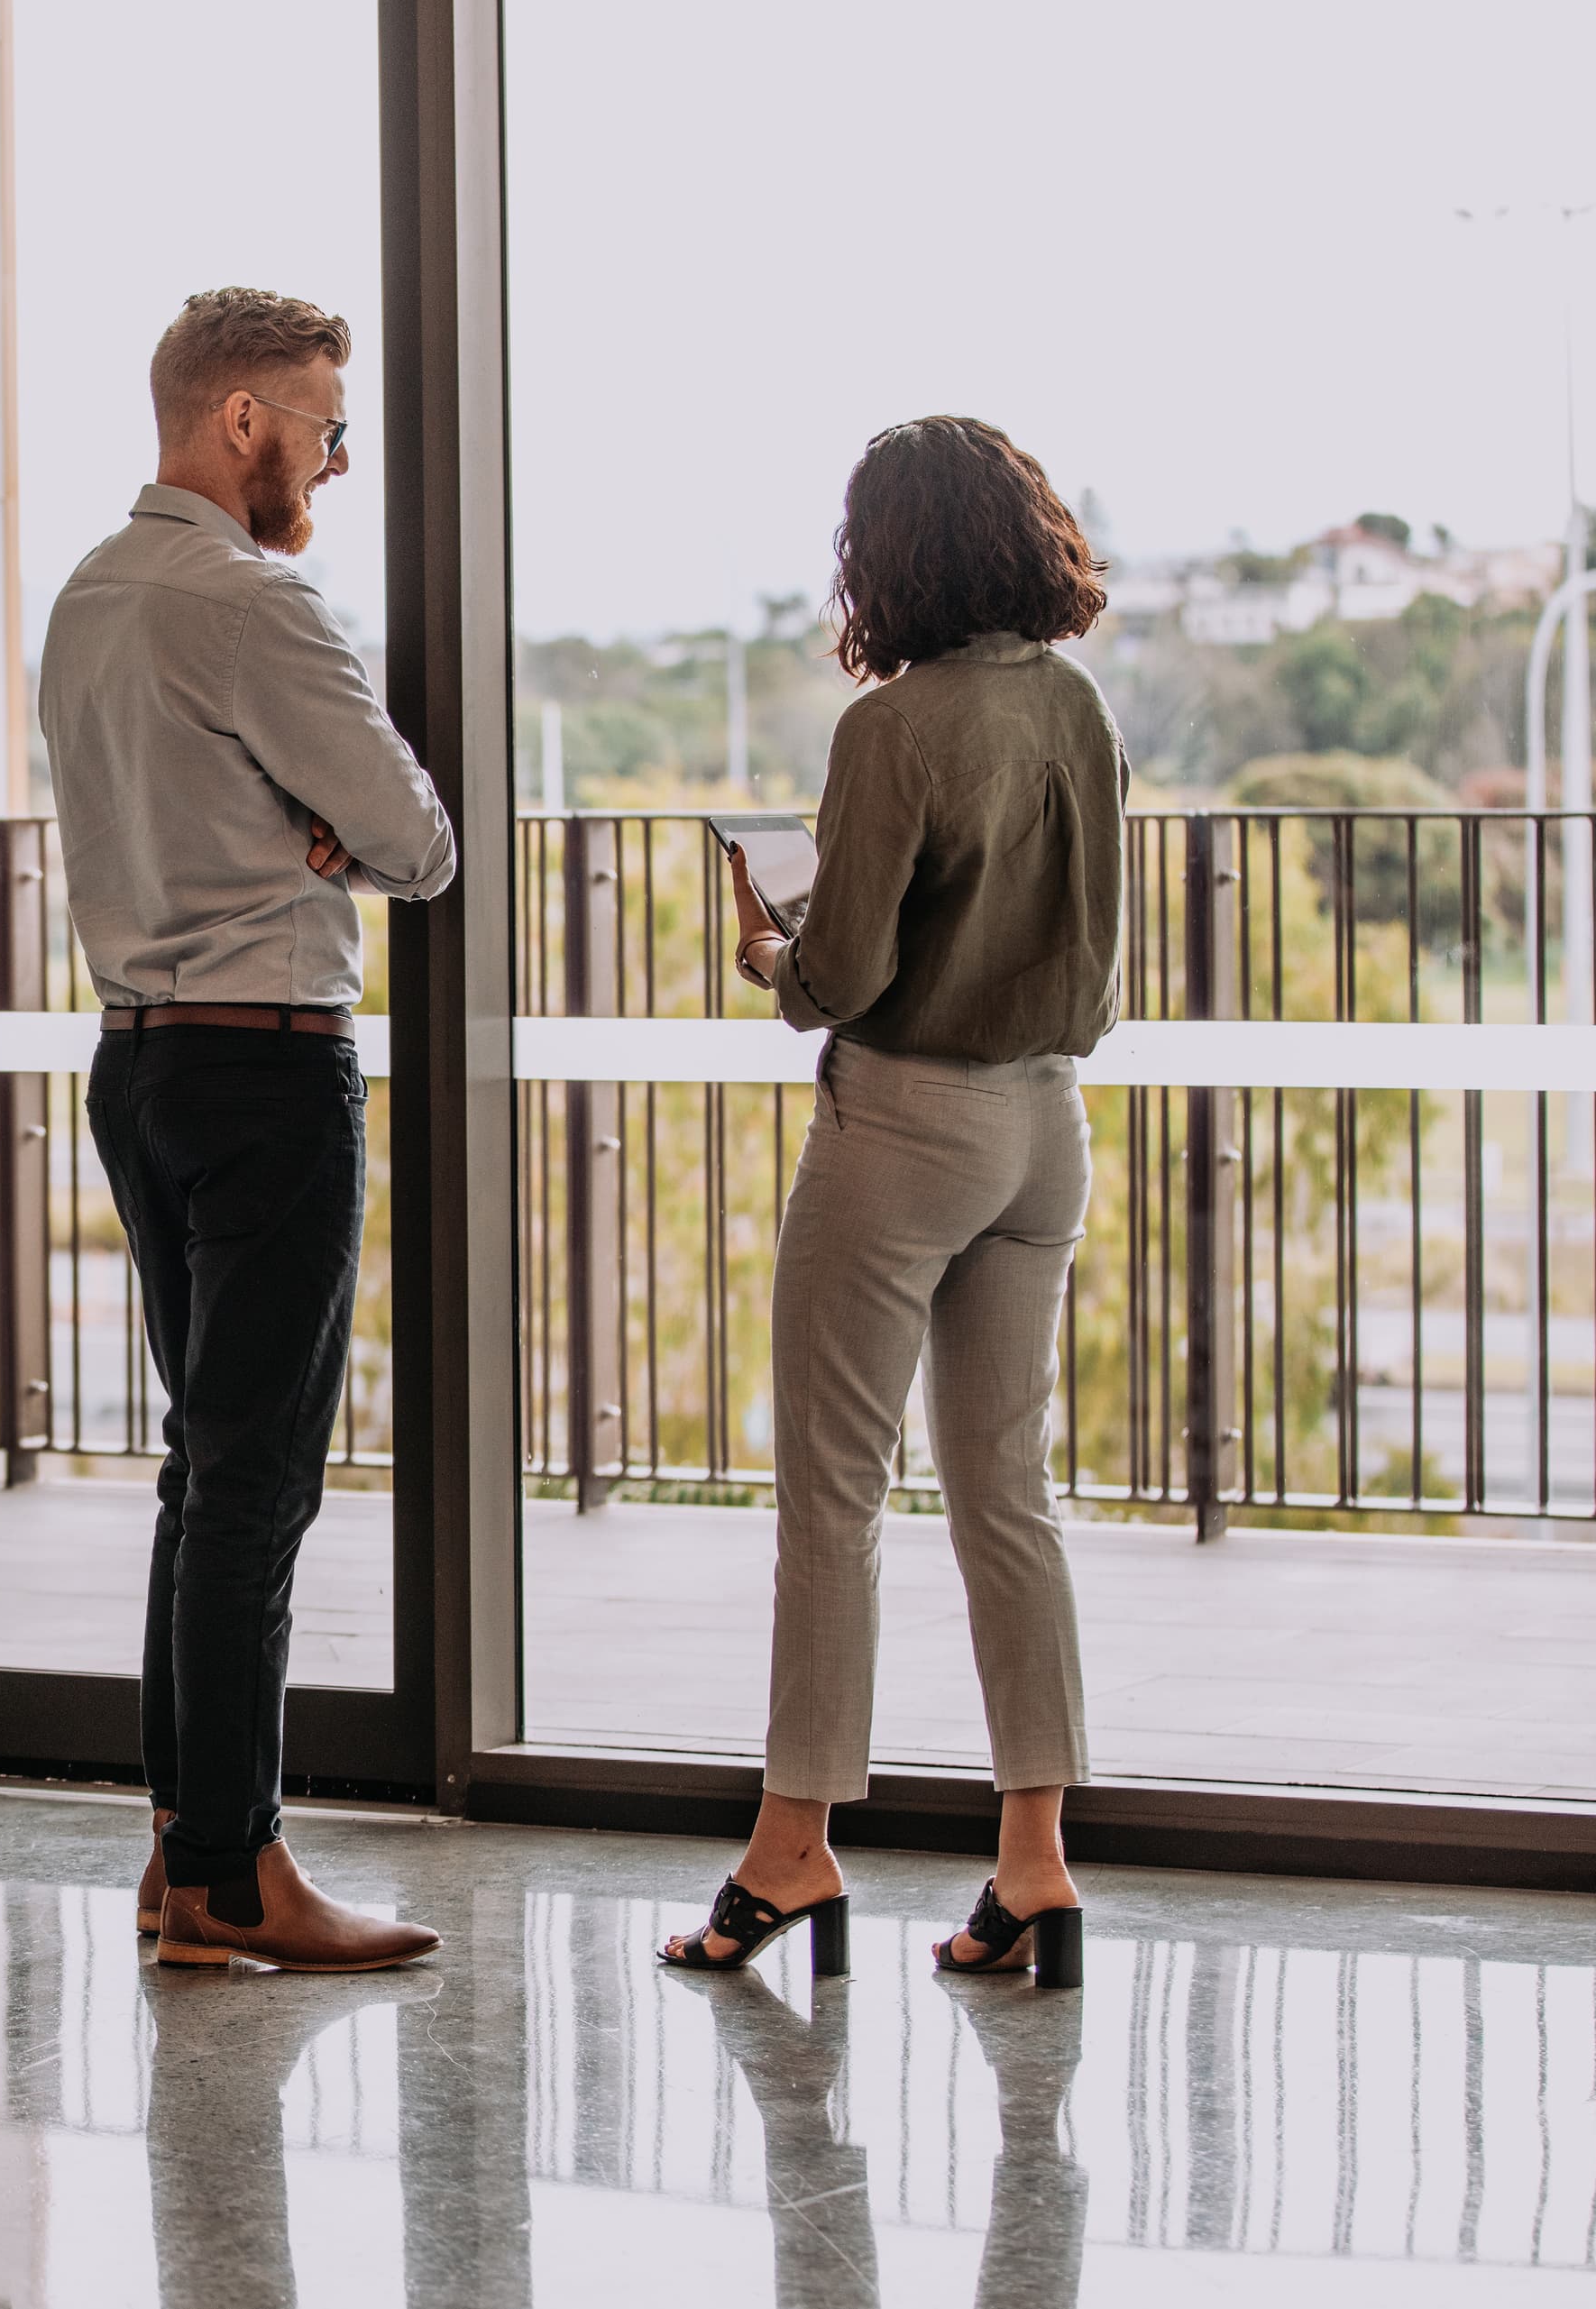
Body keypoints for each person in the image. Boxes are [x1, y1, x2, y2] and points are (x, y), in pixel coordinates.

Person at [659, 415, 1123, 1990]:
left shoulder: (892, 730)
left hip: (902, 1131)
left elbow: (843, 973)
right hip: (1044, 1127)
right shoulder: (1079, 709)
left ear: (888, 557)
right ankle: (1034, 1863)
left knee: (832, 1501)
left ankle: (792, 1851)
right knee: (1010, 1494)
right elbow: (1094, 971)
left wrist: (774, 957)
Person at [39, 287, 454, 1971]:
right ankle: (231, 1872)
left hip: (137, 1067)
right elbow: (418, 837)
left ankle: (180, 1847)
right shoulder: (257, 602)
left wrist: (308, 826)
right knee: (256, 1478)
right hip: (271, 1071)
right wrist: (334, 839)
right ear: (242, 423)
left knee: (200, 1466)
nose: (334, 463)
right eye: (326, 428)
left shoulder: (85, 597)